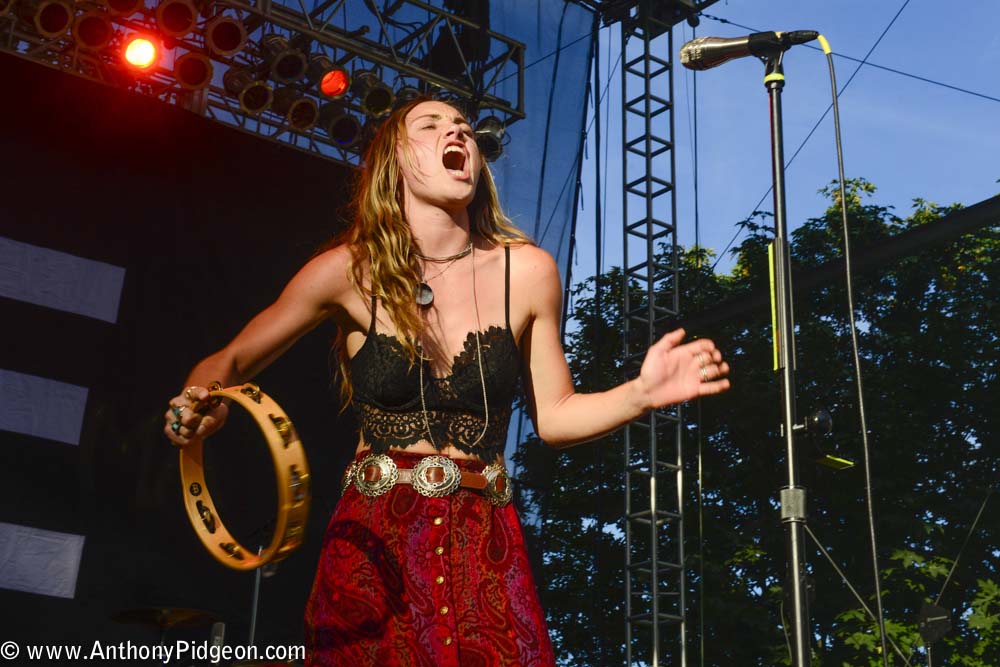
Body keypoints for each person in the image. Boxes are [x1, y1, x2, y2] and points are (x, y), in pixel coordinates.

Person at [163, 97, 730, 666]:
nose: (456, 132)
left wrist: (641, 393)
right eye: (430, 126)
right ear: (397, 161)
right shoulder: (347, 271)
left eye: (463, 128)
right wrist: (202, 403)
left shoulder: (528, 271)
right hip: (374, 542)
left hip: (483, 539)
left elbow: (555, 417)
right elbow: (230, 363)